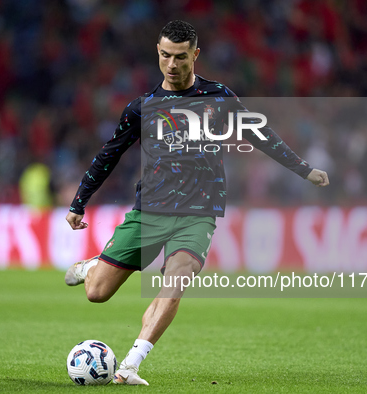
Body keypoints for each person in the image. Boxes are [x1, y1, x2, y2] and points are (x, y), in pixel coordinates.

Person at [65, 20, 329, 386]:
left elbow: (260, 134)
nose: (172, 64)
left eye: (180, 57)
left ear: (195, 55)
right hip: (150, 211)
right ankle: (91, 267)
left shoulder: (218, 97)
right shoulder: (142, 108)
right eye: (164, 56)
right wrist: (79, 202)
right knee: (97, 293)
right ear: (158, 53)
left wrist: (304, 170)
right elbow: (109, 154)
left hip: (198, 213)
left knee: (175, 283)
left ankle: (129, 366)